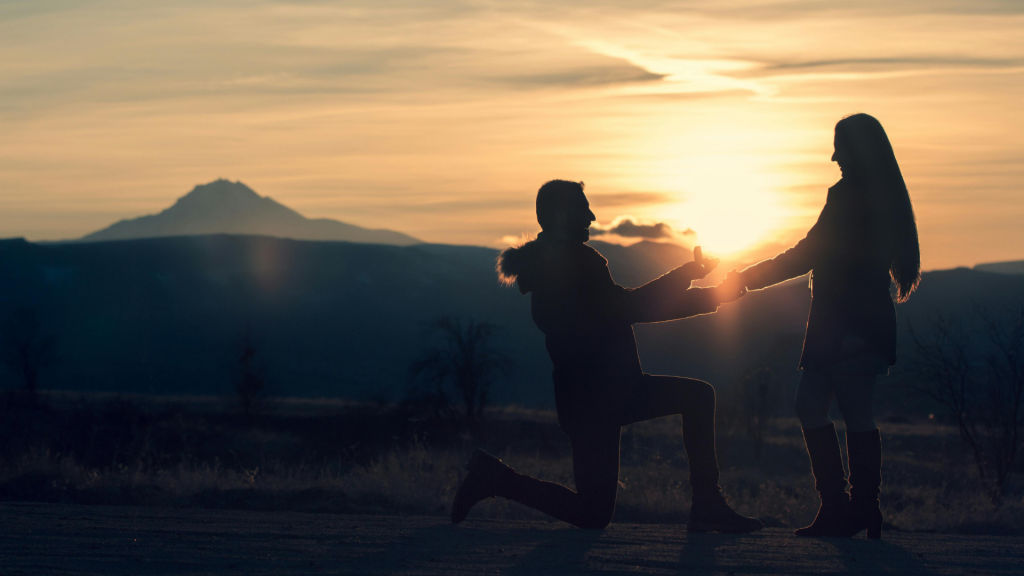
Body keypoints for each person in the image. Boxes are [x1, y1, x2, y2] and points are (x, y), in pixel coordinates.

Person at [450, 179, 762, 532]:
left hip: (589, 399)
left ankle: (495, 479)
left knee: (593, 512)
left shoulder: (554, 264)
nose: (593, 216)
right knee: (698, 398)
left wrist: (688, 275)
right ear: (561, 214)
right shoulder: (578, 263)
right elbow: (630, 308)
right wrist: (715, 295)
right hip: (608, 395)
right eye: (584, 209)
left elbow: (623, 303)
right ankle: (707, 505)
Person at [737, 113, 921, 539]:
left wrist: (748, 277)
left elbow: (808, 254)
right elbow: (815, 254)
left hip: (849, 322)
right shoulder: (869, 195)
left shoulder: (854, 198)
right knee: (818, 407)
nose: (833, 155)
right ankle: (848, 508)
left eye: (840, 145)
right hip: (843, 321)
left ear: (859, 150)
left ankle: (854, 509)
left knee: (844, 410)